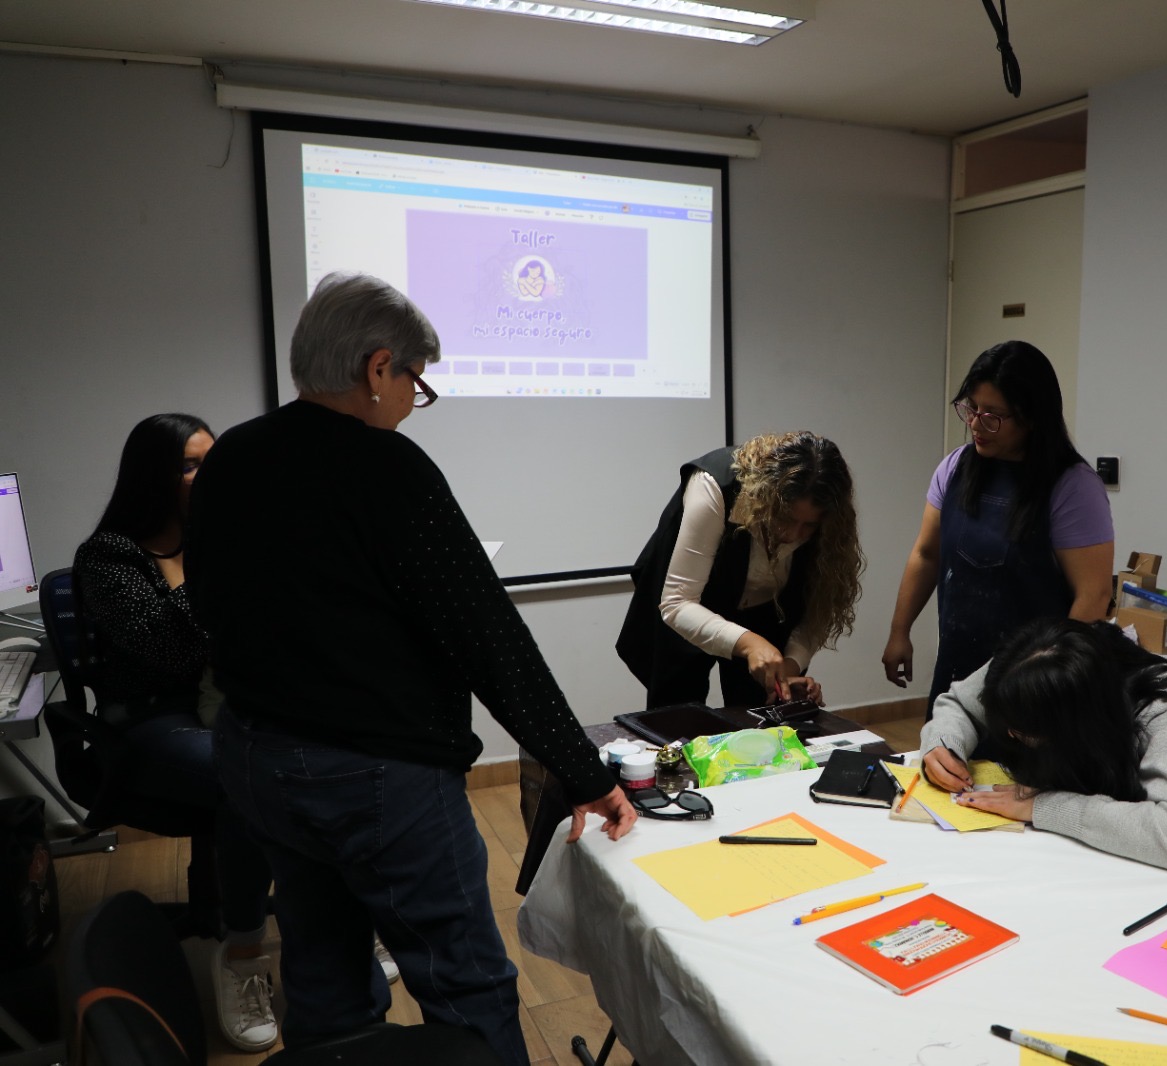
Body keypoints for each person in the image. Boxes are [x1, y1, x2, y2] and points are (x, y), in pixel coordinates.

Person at [188, 272, 637, 1066]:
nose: (410, 402)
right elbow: (489, 639)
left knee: (323, 967)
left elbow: (216, 603)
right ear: (377, 368)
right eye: (415, 383)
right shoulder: (388, 468)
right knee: (466, 986)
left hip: (256, 756)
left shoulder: (232, 458)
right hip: (375, 775)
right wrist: (580, 769)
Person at [73, 413, 280, 1051]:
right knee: (244, 777)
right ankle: (243, 956)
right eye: (190, 465)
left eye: (211, 461)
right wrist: (217, 560)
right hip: (151, 717)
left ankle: (344, 925)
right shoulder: (109, 556)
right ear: (153, 476)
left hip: (231, 699)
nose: (207, 475)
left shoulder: (218, 538)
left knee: (317, 754)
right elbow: (171, 651)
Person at [882, 340, 1114, 714]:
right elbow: (926, 554)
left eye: (993, 415)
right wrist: (899, 631)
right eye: (971, 408)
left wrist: (1054, 684)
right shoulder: (955, 467)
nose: (976, 424)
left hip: (1032, 685)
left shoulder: (1073, 487)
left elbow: (1094, 595)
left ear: (1032, 417)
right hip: (957, 670)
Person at [920, 617, 1167, 872]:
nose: (1010, 736)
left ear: (1075, 727)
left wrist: (1044, 807)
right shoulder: (1027, 663)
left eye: (1022, 732)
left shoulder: (1161, 707)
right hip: (1046, 853)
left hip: (1135, 872)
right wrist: (944, 743)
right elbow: (960, 703)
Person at [616, 431, 865, 709]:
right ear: (767, 498)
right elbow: (678, 602)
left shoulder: (833, 522)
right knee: (677, 715)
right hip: (688, 605)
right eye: (785, 518)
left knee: (764, 711)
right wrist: (749, 643)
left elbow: (818, 606)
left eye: (809, 525)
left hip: (766, 610)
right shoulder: (715, 484)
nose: (793, 535)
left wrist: (791, 664)